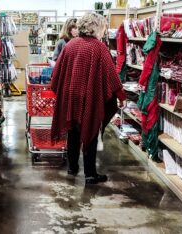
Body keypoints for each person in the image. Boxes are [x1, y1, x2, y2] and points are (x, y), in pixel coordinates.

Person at [50, 12, 126, 185]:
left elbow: (56, 74)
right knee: (90, 132)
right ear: (96, 27)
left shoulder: (70, 45)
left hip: (71, 96)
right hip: (89, 97)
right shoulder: (99, 48)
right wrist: (121, 96)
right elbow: (112, 77)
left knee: (73, 131)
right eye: (103, 28)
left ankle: (72, 167)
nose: (103, 32)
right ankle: (90, 175)